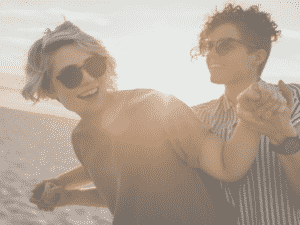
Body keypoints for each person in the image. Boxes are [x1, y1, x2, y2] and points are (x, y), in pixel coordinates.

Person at [24, 20, 287, 224]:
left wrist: (249, 121)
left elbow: (227, 165)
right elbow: (125, 196)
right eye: (70, 76)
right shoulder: (80, 137)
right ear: (49, 90)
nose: (88, 79)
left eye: (93, 65)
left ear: (107, 65)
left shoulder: (155, 106)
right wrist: (69, 195)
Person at [190, 3, 300, 225]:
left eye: (224, 45)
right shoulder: (197, 118)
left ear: (257, 56)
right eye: (208, 46)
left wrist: (283, 137)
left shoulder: (294, 100)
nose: (210, 54)